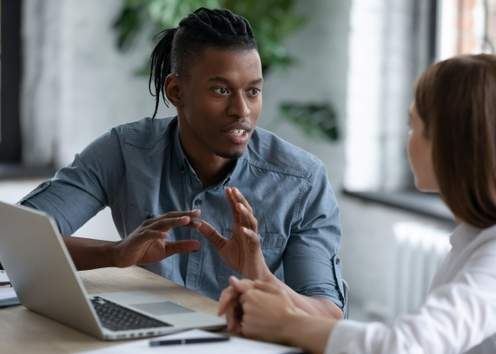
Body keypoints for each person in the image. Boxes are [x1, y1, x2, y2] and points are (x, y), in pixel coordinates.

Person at [19, 8, 345, 318]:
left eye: (253, 91)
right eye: (221, 90)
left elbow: (327, 315)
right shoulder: (125, 151)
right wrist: (115, 254)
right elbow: (14, 241)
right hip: (148, 340)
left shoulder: (302, 180)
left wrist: (259, 274)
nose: (242, 111)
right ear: (176, 91)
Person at [219, 54, 496, 354]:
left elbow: (405, 346)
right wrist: (269, 302)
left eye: (413, 125)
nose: (407, 140)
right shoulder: (473, 237)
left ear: (448, 141)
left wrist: (286, 323)